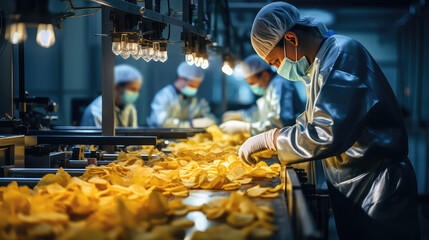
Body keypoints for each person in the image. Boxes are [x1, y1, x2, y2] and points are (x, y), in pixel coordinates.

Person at [239, 2, 420, 239]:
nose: (278, 69)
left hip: (379, 187)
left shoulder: (342, 58)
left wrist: (270, 139)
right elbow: (309, 123)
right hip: (358, 184)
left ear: (291, 39)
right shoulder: (320, 66)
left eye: (275, 62)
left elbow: (325, 134)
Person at [220, 54, 304, 136]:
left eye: (252, 83)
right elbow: (262, 114)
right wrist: (243, 115)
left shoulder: (280, 84)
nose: (252, 87)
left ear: (265, 76)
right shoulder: (270, 88)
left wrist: (245, 128)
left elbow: (279, 123)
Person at [147, 62, 216, 128]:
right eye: (191, 85)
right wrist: (190, 124)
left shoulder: (197, 99)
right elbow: (161, 122)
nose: (194, 89)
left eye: (196, 87)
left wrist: (208, 121)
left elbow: (210, 117)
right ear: (180, 78)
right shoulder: (164, 96)